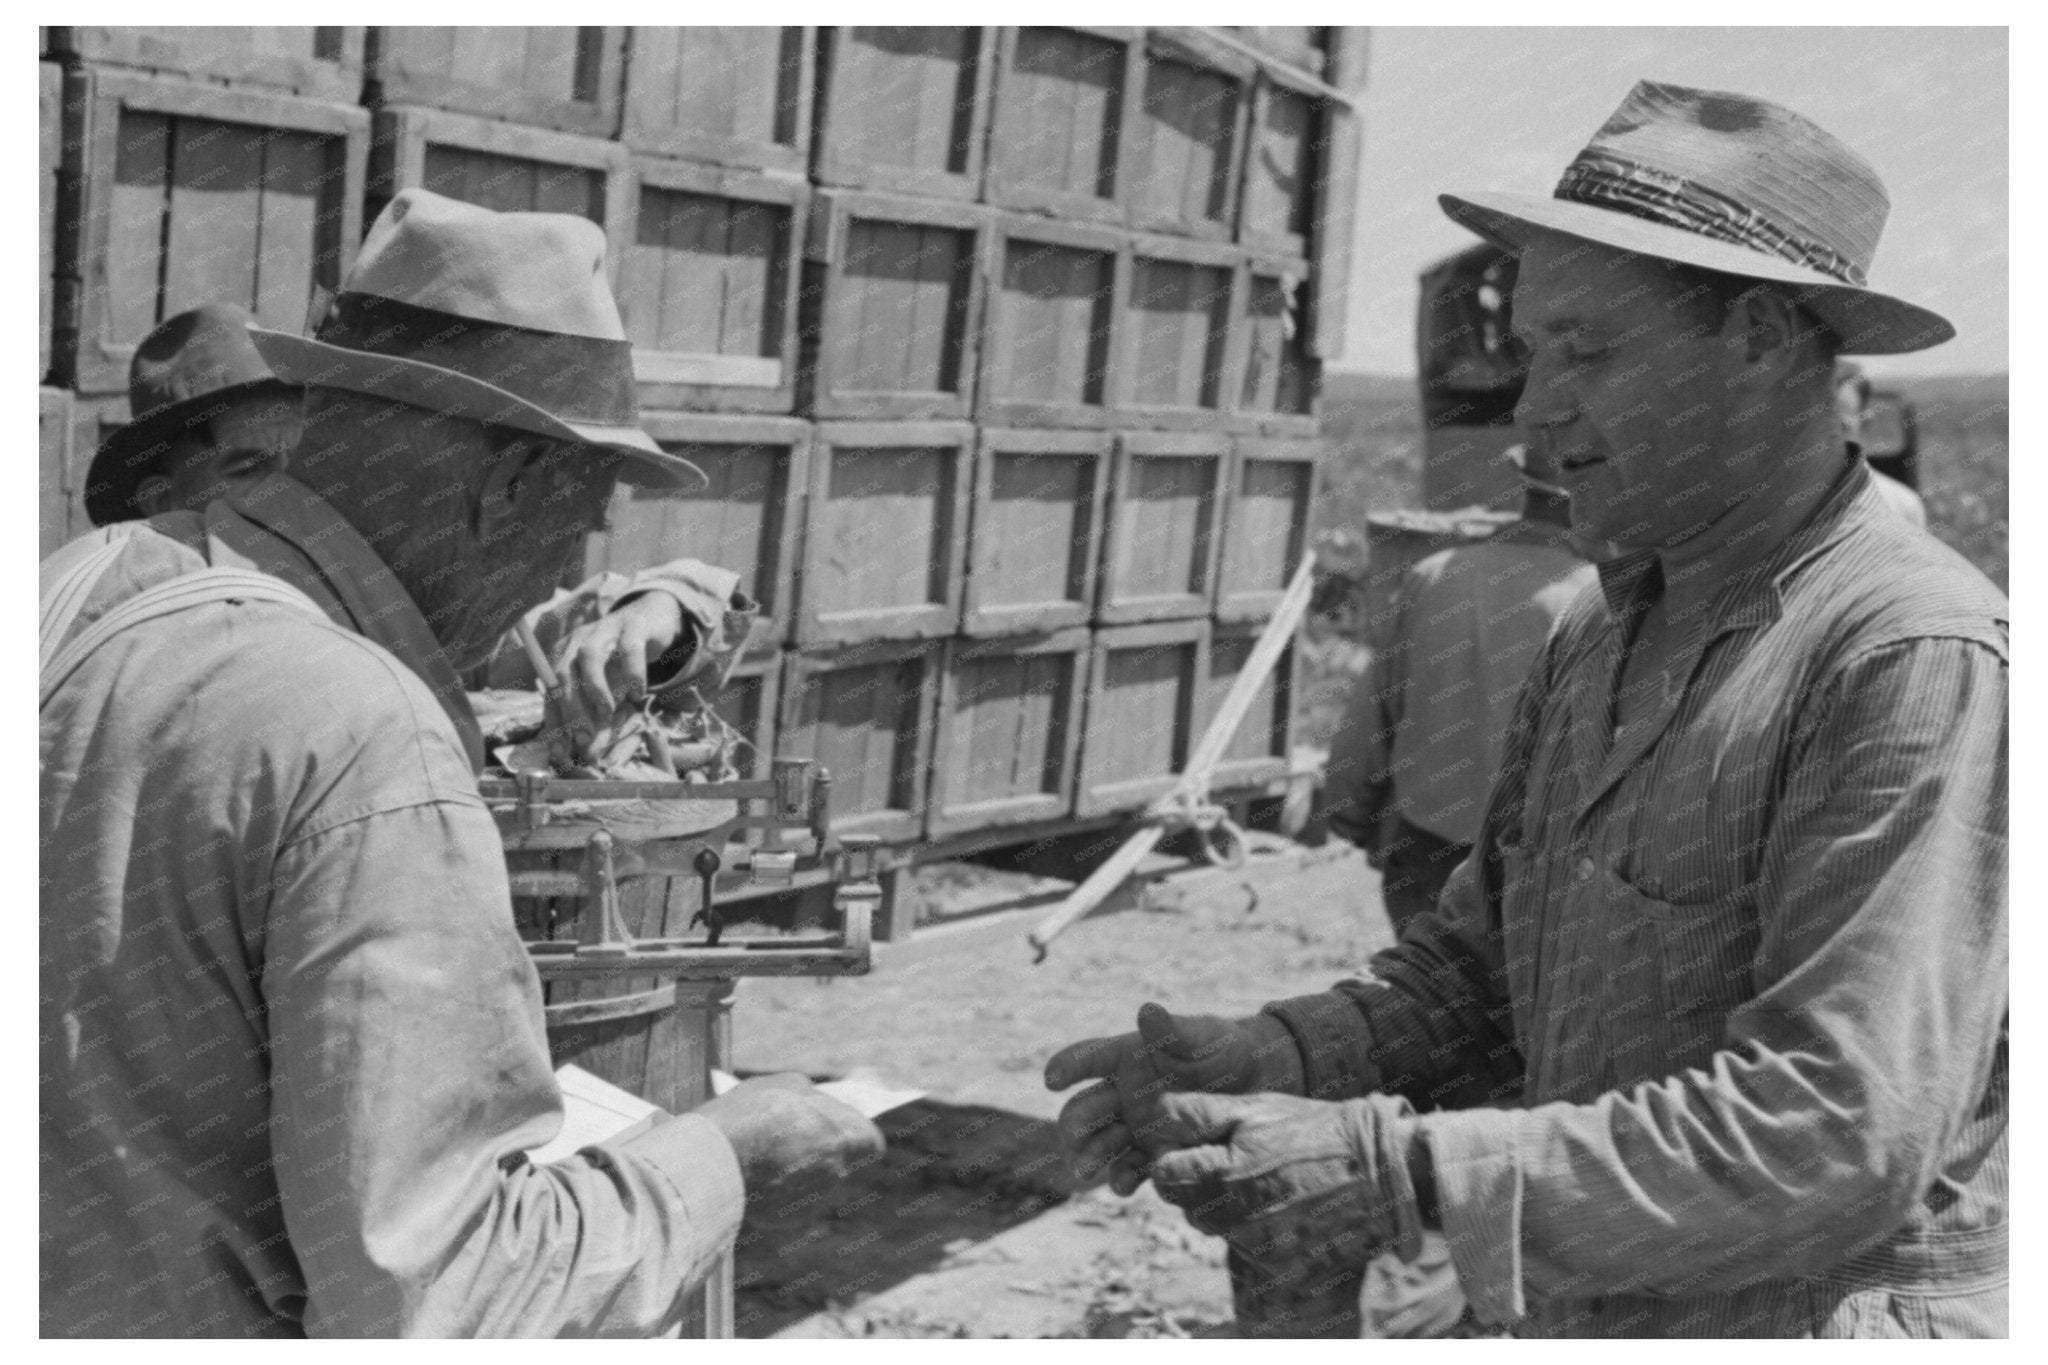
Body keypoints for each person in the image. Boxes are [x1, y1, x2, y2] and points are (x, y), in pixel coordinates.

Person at [1045, 81, 2007, 1339]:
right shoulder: (1599, 632)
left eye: (1589, 351)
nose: (1536, 405)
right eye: (1531, 349)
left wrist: (1396, 1173)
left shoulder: (1905, 657)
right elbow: (1483, 978)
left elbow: (1839, 1133)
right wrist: (1284, 1056)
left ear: (1768, 336)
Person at [41, 189, 883, 1338]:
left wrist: (663, 608)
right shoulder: (362, 733)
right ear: (509, 486)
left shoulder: (80, 585)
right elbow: (443, 1297)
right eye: (580, 528)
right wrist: (727, 1154)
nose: (560, 571)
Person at [82, 305, 753, 752]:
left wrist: (658, 611)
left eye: (305, 460)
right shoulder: (151, 640)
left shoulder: (387, 596)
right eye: (248, 465)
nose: (287, 492)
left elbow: (549, 622)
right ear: (160, 499)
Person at [1323, 440, 1598, 938]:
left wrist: (1348, 813)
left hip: (1426, 849)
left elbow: (1373, 712)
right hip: (1536, 867)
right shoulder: (1596, 599)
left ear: (1523, 488)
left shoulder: (1434, 575)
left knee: (1425, 1006)